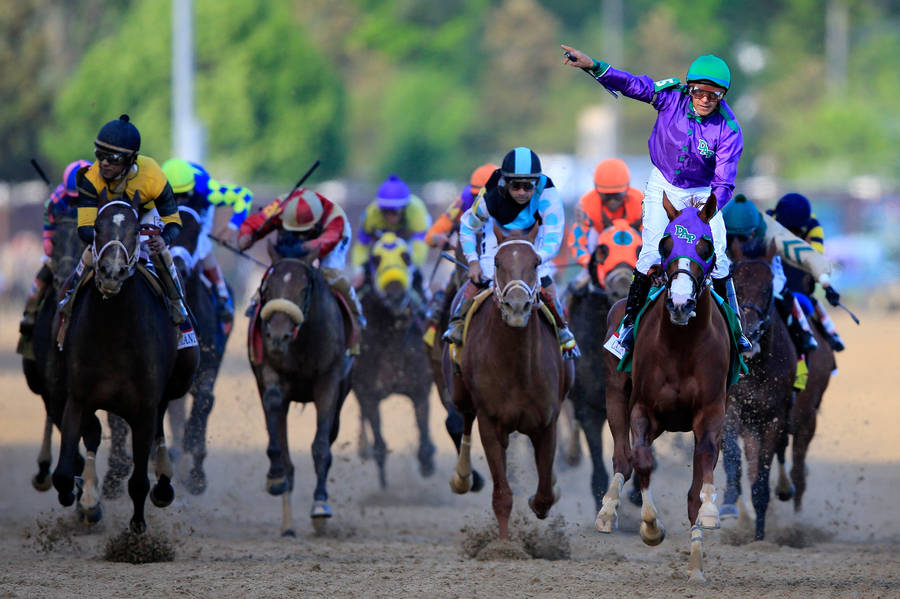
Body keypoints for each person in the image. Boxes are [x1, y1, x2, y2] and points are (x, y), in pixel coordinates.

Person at [562, 44, 752, 352]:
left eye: (714, 95)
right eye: (700, 92)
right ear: (689, 88)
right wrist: (593, 66)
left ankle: (735, 330)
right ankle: (627, 328)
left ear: (722, 97)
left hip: (704, 194)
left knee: (719, 260)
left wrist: (704, 212)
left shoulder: (729, 129)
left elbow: (724, 182)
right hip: (663, 185)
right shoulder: (671, 96)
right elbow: (635, 85)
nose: (705, 100)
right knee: (649, 253)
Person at [442, 146, 579, 359]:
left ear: (537, 182)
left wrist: (539, 258)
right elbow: (468, 225)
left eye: (528, 186)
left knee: (541, 277)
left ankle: (562, 328)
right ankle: (459, 321)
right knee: (485, 276)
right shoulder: (490, 198)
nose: (522, 192)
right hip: (498, 237)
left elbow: (554, 233)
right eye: (516, 186)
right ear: (505, 182)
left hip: (535, 239)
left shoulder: (548, 193)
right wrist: (473, 262)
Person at [63, 114, 187, 328]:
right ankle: (68, 302)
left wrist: (164, 239)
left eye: (113, 159)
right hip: (106, 220)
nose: (103, 163)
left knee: (161, 254)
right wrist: (108, 238)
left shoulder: (153, 176)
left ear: (131, 160)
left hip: (145, 214)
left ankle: (177, 304)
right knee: (90, 254)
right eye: (100, 155)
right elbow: (84, 230)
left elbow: (174, 223)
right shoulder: (90, 179)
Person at [237, 187, 366, 347]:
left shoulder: (336, 220)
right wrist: (246, 235)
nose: (301, 235)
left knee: (330, 274)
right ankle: (257, 298)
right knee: (279, 269)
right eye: (297, 231)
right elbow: (255, 221)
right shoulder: (281, 206)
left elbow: (327, 242)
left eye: (304, 231)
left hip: (332, 239)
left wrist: (304, 247)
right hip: (297, 232)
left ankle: (356, 313)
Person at [722, 194, 832, 360]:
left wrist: (825, 282)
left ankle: (804, 333)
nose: (738, 241)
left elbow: (808, 255)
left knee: (784, 293)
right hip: (732, 265)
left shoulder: (770, 228)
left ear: (754, 231)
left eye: (743, 237)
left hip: (768, 266)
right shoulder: (718, 227)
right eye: (732, 237)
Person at [162, 158, 253, 324]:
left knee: (201, 245)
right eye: (175, 196)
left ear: (192, 189)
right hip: (166, 208)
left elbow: (244, 195)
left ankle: (221, 292)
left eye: (184, 195)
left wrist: (232, 227)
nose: (180, 200)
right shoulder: (154, 186)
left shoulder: (208, 190)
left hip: (199, 208)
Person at [422, 162, 497, 346]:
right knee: (438, 304)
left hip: (501, 267)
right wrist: (441, 240)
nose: (480, 201)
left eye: (485, 196)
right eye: (476, 195)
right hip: (467, 267)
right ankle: (438, 343)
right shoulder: (462, 203)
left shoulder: (511, 205)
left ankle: (561, 328)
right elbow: (431, 236)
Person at [18, 159, 91, 343]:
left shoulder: (99, 199)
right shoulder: (55, 202)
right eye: (72, 198)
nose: (75, 201)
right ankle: (31, 312)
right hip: (63, 248)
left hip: (88, 248)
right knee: (44, 272)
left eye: (78, 198)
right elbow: (48, 236)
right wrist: (51, 247)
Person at [768, 192, 845, 351]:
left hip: (800, 265)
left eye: (796, 230)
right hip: (774, 263)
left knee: (805, 294)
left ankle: (829, 331)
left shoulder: (813, 225)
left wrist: (824, 282)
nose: (793, 235)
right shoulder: (767, 218)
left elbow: (815, 257)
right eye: (788, 229)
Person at [567, 158, 643, 294]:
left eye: (617, 195)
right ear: (597, 190)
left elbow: (651, 239)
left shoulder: (641, 201)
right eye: (606, 196)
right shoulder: (585, 204)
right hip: (599, 248)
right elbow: (577, 242)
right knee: (574, 288)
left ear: (627, 189)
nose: (612, 201)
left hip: (634, 252)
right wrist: (590, 264)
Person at [351, 175, 431, 302]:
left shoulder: (417, 211)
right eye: (385, 211)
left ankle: (426, 306)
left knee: (419, 280)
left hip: (408, 246)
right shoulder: (371, 213)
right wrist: (359, 270)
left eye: (395, 212)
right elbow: (361, 245)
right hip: (381, 247)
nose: (390, 216)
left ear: (404, 208)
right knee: (359, 283)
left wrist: (411, 266)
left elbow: (420, 247)